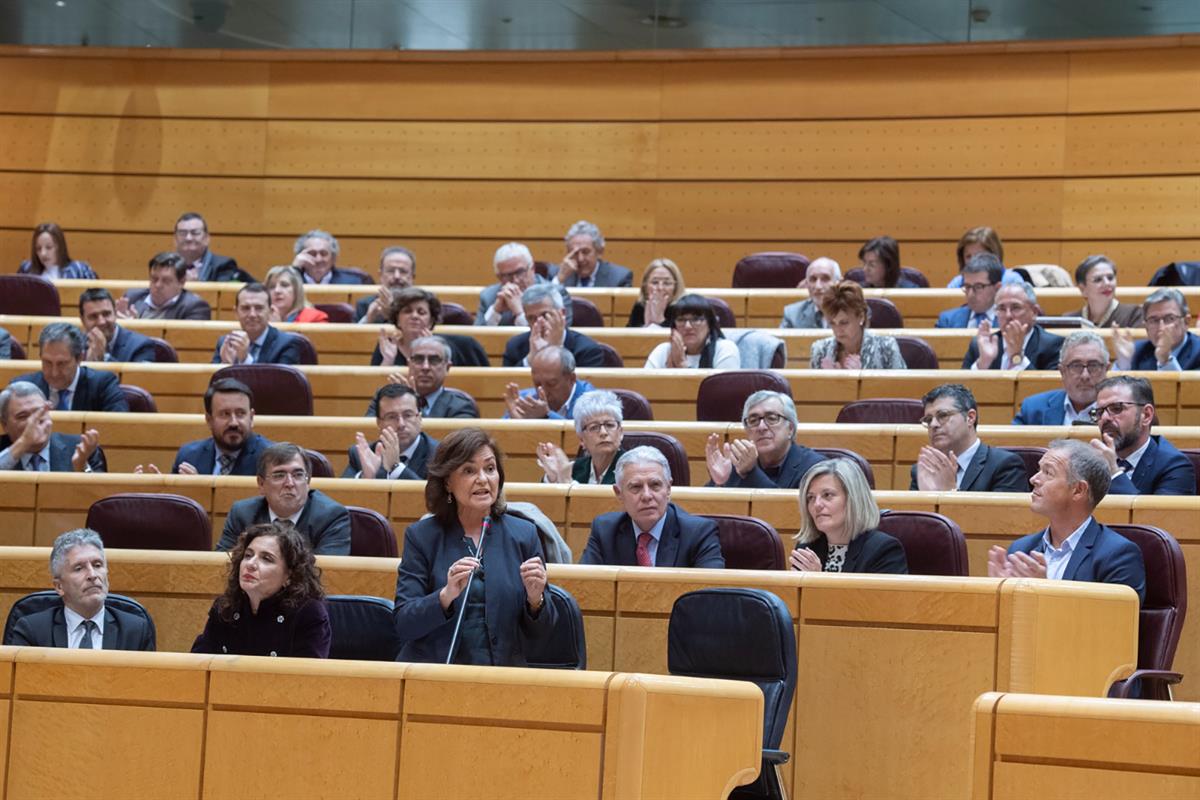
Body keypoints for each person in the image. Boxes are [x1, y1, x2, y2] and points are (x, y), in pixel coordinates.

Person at [392, 427, 555, 665]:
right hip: (437, 676)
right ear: (447, 482)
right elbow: (404, 624)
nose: (483, 479)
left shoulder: (524, 534)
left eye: (490, 468)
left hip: (503, 678)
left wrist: (535, 600)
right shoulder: (422, 537)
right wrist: (445, 596)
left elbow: (546, 634)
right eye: (469, 470)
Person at [988, 440, 1146, 604]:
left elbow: (1113, 625)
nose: (1034, 479)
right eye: (1038, 470)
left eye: (1048, 473)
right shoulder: (1021, 550)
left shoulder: (1117, 556)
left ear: (1078, 490)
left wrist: (1045, 594)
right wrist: (998, 595)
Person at [192, 522, 331, 658]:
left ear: (289, 575)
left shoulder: (308, 613)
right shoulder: (225, 607)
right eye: (248, 555)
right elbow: (197, 666)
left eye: (266, 559)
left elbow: (308, 678)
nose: (251, 564)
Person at [5, 529, 154, 649]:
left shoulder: (135, 630)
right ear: (59, 586)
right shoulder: (32, 630)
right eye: (79, 568)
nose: (92, 575)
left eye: (97, 565)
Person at [580, 447, 724, 568]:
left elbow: (709, 595)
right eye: (636, 487)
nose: (647, 496)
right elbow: (585, 587)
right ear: (619, 493)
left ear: (668, 489)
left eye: (655, 485)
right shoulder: (604, 531)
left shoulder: (699, 533)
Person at [217, 443, 351, 555]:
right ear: (261, 484)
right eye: (279, 475)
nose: (290, 483)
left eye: (298, 475)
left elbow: (327, 575)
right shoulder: (242, 513)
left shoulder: (331, 517)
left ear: (308, 481)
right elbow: (222, 565)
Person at [790, 459, 907, 574]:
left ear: (853, 499)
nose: (817, 505)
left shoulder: (883, 550)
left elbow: (871, 594)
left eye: (827, 495)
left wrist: (818, 583)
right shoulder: (808, 548)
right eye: (811, 497)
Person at [910, 384, 1028, 492]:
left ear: (970, 418)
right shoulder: (924, 470)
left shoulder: (1005, 466)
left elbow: (1002, 515)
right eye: (928, 420)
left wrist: (949, 492)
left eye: (943, 415)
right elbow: (914, 515)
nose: (933, 424)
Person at [1088, 376, 1195, 496]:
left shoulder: (1175, 467)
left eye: (1116, 408)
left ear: (1146, 415)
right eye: (1099, 412)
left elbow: (1152, 515)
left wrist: (1114, 471)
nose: (1104, 418)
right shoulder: (1091, 461)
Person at [705, 390, 826, 489]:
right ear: (747, 431)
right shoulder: (735, 464)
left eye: (772, 418)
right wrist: (719, 483)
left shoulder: (813, 468)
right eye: (753, 421)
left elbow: (784, 512)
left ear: (790, 428)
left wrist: (750, 473)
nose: (761, 427)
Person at [12, 323, 128, 412]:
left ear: (79, 358)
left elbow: (117, 430)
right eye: (47, 362)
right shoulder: (23, 387)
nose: (54, 373)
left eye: (62, 363)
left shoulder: (103, 385)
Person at [171, 378, 271, 476]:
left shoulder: (271, 460)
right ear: (209, 420)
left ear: (251, 417)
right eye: (225, 414)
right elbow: (173, 492)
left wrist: (200, 490)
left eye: (240, 413)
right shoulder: (189, 456)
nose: (234, 423)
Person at [0, 382, 105, 472]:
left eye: (39, 412)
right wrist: (23, 443)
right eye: (23, 416)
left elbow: (99, 494)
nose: (34, 421)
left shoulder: (82, 448)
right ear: (5, 425)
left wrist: (81, 467)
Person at [371, 288, 486, 370]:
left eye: (421, 312)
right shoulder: (387, 346)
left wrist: (433, 352)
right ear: (397, 319)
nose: (414, 316)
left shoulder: (462, 346)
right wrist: (388, 361)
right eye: (407, 311)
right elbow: (374, 390)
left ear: (431, 321)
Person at [369, 336, 479, 419]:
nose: (425, 367)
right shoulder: (384, 399)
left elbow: (455, 446)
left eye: (434, 360)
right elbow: (368, 434)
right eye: (418, 359)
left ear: (447, 367)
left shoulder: (462, 406)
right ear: (409, 364)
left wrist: (413, 403)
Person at [1013, 331, 1110, 425]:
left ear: (1106, 369)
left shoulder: (1120, 413)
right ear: (1062, 371)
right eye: (1076, 366)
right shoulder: (1032, 410)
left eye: (1093, 366)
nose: (1085, 376)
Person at [961, 282, 1063, 371]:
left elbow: (1047, 390)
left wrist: (1017, 358)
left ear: (1034, 312)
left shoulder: (1053, 346)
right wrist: (983, 363)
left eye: (1016, 308)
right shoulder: (979, 345)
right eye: (1001, 308)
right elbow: (959, 391)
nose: (1008, 315)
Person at [345, 384, 438, 480]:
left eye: (408, 415)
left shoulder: (438, 455)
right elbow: (339, 494)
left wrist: (396, 467)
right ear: (379, 423)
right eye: (391, 417)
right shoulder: (363, 455)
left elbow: (430, 494)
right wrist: (366, 478)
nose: (401, 424)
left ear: (419, 418)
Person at [501, 283, 606, 368]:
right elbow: (504, 386)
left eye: (545, 315)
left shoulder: (588, 350)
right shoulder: (515, 347)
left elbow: (580, 390)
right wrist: (530, 358)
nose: (539, 323)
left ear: (562, 313)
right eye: (531, 318)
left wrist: (557, 350)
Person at [810, 281, 906, 370]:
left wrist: (862, 378)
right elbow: (812, 388)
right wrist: (828, 381)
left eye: (844, 322)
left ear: (861, 317)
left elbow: (901, 387)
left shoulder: (886, 348)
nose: (838, 330)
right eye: (832, 323)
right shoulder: (820, 351)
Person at [536, 390, 626, 484]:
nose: (603, 432)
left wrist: (567, 482)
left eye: (610, 425)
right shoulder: (574, 469)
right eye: (594, 427)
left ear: (620, 432)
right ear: (582, 439)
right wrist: (554, 477)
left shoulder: (632, 469)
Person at [476, 242, 572, 326]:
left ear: (532, 268)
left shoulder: (557, 293)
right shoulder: (489, 296)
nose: (516, 280)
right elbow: (476, 339)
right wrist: (495, 312)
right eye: (507, 275)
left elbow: (558, 337)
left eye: (520, 272)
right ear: (499, 277)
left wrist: (520, 313)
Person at [212, 283, 304, 365]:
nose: (252, 314)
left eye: (259, 308)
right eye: (246, 308)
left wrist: (245, 359)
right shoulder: (226, 343)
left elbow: (280, 382)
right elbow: (212, 382)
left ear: (270, 312)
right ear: (236, 312)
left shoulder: (287, 344)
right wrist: (225, 365)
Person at [1112, 288, 1200, 371]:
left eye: (1170, 318)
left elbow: (1189, 387)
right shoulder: (1137, 351)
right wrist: (1124, 364)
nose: (1161, 328)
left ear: (1186, 322)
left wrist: (1165, 361)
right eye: (1153, 320)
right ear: (1146, 326)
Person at [644, 294, 740, 369]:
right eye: (681, 320)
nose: (688, 326)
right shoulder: (663, 351)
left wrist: (683, 366)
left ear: (710, 324)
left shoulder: (724, 349)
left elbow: (721, 391)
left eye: (696, 319)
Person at [504, 346, 594, 420]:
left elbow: (584, 437)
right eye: (537, 384)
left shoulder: (591, 400)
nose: (544, 392)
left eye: (551, 384)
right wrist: (515, 424)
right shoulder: (525, 400)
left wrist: (547, 415)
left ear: (571, 378)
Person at [119, 252, 213, 320]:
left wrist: (135, 329)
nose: (158, 285)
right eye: (154, 279)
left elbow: (184, 343)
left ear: (181, 282)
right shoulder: (131, 298)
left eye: (166, 280)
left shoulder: (195, 307)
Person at [78, 288, 157, 362]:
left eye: (106, 314)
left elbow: (138, 377)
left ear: (115, 313)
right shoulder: (75, 346)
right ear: (83, 320)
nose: (101, 322)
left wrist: (104, 358)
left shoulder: (141, 346)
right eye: (93, 316)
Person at [1064, 255, 1143, 328]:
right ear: (1083, 289)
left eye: (1110, 278)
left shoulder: (1134, 314)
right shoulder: (1069, 320)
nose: (1107, 283)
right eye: (1098, 280)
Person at [173, 212, 252, 282]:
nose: (188, 238)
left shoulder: (223, 266)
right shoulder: (165, 266)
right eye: (182, 233)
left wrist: (196, 286)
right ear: (175, 240)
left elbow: (221, 296)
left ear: (207, 239)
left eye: (195, 233)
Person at [551, 220, 633, 288]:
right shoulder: (557, 274)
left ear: (599, 251)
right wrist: (559, 279)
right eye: (575, 253)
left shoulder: (619, 278)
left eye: (586, 252)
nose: (580, 259)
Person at [934, 253, 1003, 329]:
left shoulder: (1009, 322)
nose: (970, 294)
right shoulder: (947, 321)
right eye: (967, 286)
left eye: (978, 287)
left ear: (997, 288)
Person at [946, 227, 1023, 289]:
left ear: (994, 256)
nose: (973, 261)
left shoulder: (1012, 280)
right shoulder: (957, 283)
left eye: (979, 256)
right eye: (968, 256)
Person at [356, 246, 416, 323]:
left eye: (403, 271)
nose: (396, 276)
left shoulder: (425, 306)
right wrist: (368, 319)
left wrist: (391, 315)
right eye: (391, 271)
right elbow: (352, 335)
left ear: (412, 277)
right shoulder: (364, 304)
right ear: (381, 275)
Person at [17, 222, 97, 280]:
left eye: (49, 247)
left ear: (60, 247)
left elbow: (99, 297)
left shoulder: (80, 270)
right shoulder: (26, 269)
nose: (43, 253)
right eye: (38, 248)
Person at [291, 229, 370, 285]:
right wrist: (295, 268)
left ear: (333, 258)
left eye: (324, 253)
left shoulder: (353, 283)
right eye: (312, 254)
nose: (318, 259)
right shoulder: (289, 282)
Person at [780, 257, 840, 328]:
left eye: (825, 279)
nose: (818, 286)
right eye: (813, 279)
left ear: (839, 283)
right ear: (807, 284)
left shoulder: (852, 312)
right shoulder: (792, 314)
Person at [627, 258, 686, 328]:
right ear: (645, 285)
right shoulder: (640, 306)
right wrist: (646, 326)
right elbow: (627, 336)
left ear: (676, 287)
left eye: (667, 283)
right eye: (655, 282)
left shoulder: (684, 309)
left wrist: (660, 321)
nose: (660, 288)